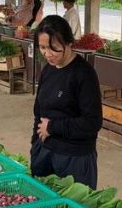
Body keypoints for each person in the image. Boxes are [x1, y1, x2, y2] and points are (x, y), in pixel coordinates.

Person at [31, 15, 102, 188]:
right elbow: (39, 114)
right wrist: (35, 148)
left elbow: (92, 122)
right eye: (42, 47)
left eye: (54, 48)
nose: (47, 54)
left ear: (69, 43)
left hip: (75, 159)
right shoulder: (48, 70)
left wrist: (53, 127)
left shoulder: (84, 74)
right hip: (45, 153)